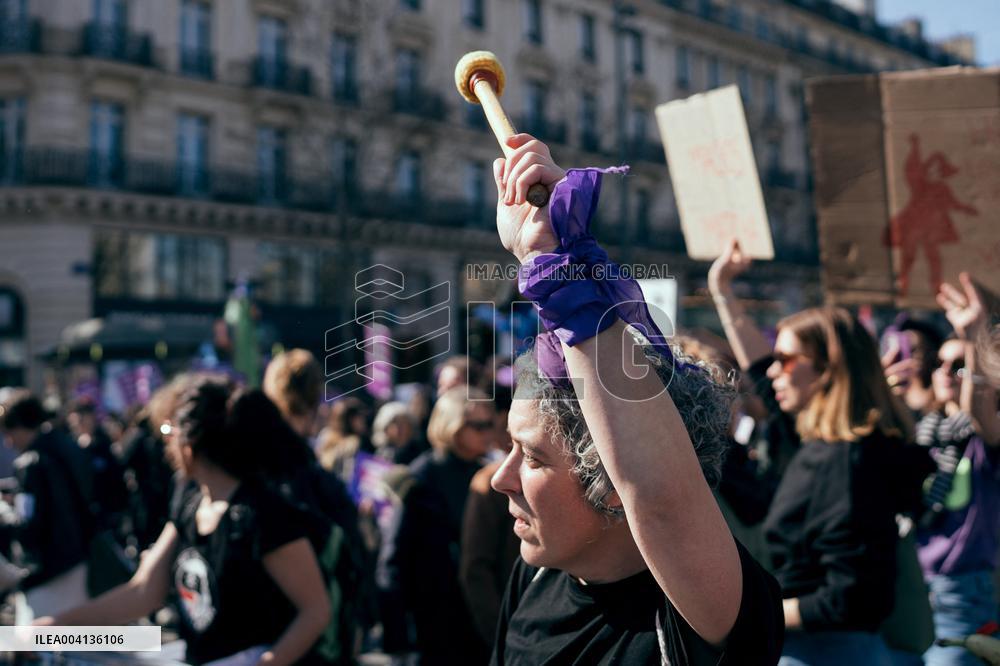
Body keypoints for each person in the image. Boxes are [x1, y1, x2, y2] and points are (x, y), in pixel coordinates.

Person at [486, 134, 783, 665]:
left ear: (611, 477)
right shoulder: (533, 577)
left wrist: (552, 261)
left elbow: (661, 497)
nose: (498, 478)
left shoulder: (705, 606)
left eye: (532, 456)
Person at [710, 239, 931, 665]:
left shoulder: (846, 461)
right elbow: (760, 371)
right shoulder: (816, 443)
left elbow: (851, 596)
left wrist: (753, 612)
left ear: (828, 369)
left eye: (787, 360)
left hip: (827, 652)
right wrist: (722, 290)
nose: (773, 371)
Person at [39, 377, 331, 666]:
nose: (165, 444)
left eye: (168, 432)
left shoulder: (263, 515)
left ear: (189, 445)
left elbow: (316, 610)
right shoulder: (190, 504)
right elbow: (142, 592)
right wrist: (56, 628)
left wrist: (267, 662)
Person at [916, 274, 1000, 666]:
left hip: (964, 598)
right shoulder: (920, 434)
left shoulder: (985, 441)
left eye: (959, 364)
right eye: (941, 363)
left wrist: (974, 336)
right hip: (913, 596)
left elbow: (978, 410)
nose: (948, 371)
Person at [379, 385, 495, 664]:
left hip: (479, 613)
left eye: (489, 423)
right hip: (435, 617)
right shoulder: (421, 477)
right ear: (452, 426)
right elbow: (393, 559)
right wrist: (397, 637)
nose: (487, 432)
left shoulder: (489, 473)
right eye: (477, 425)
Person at [0, 390, 94, 621]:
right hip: (78, 559)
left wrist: (3, 512)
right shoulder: (67, 446)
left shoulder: (31, 463)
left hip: (46, 573)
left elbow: (26, 524)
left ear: (20, 426)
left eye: (8, 432)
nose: (8, 442)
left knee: (39, 644)